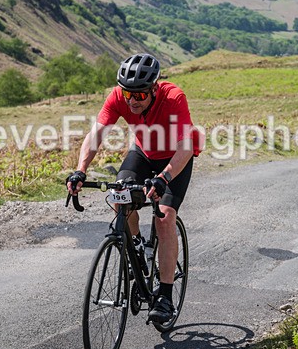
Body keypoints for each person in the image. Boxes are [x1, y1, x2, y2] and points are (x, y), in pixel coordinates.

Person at [66, 53, 203, 324]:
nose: (131, 100)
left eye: (139, 96)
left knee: (164, 217)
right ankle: (138, 245)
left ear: (154, 88)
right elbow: (96, 134)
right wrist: (81, 170)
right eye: (128, 94)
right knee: (119, 196)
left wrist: (164, 178)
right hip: (143, 153)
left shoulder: (174, 97)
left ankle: (164, 295)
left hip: (175, 159)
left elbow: (187, 145)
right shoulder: (119, 97)